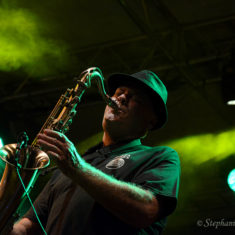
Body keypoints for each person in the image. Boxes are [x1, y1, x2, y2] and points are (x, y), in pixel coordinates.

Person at [10, 70, 180, 235]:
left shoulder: (160, 157)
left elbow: (147, 210)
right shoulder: (68, 163)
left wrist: (77, 168)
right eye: (119, 92)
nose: (120, 97)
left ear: (151, 121)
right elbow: (28, 225)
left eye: (135, 98)